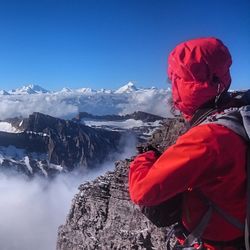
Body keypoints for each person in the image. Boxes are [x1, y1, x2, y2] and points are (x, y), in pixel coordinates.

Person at [129, 37, 248, 249]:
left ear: (184, 84)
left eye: (174, 80)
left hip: (216, 242)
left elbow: (142, 192)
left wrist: (144, 158)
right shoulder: (238, 112)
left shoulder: (208, 137)